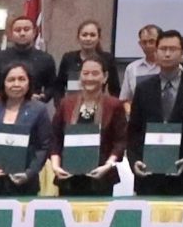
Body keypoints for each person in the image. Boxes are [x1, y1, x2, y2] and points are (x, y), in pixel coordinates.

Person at [129, 30, 183, 198]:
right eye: (163, 49)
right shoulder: (143, 88)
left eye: (173, 49)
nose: (167, 54)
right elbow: (133, 132)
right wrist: (134, 161)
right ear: (156, 53)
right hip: (148, 175)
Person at [0, 63, 55, 197]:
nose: (16, 84)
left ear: (29, 83)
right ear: (3, 83)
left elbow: (44, 146)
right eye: (11, 80)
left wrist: (29, 173)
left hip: (24, 185)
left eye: (21, 79)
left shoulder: (39, 110)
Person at [49, 57, 126, 197]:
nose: (90, 78)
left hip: (101, 177)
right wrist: (55, 165)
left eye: (95, 73)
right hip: (68, 176)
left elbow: (120, 141)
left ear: (105, 77)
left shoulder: (114, 105)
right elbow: (55, 138)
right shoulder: (66, 103)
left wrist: (108, 165)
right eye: (85, 73)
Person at [0, 14, 58, 101]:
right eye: (18, 30)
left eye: (26, 29)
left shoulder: (45, 59)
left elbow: (52, 86)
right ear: (11, 34)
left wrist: (43, 97)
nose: (22, 33)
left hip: (33, 105)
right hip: (3, 104)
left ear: (34, 33)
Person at [55, 19, 115, 102]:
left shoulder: (107, 59)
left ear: (99, 38)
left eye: (92, 35)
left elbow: (114, 90)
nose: (88, 38)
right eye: (84, 35)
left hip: (98, 106)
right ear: (78, 37)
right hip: (72, 106)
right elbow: (58, 87)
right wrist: (60, 105)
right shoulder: (68, 58)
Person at [119, 23, 162, 99]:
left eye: (152, 41)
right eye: (144, 42)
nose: (148, 46)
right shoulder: (132, 68)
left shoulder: (171, 67)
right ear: (140, 44)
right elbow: (124, 99)